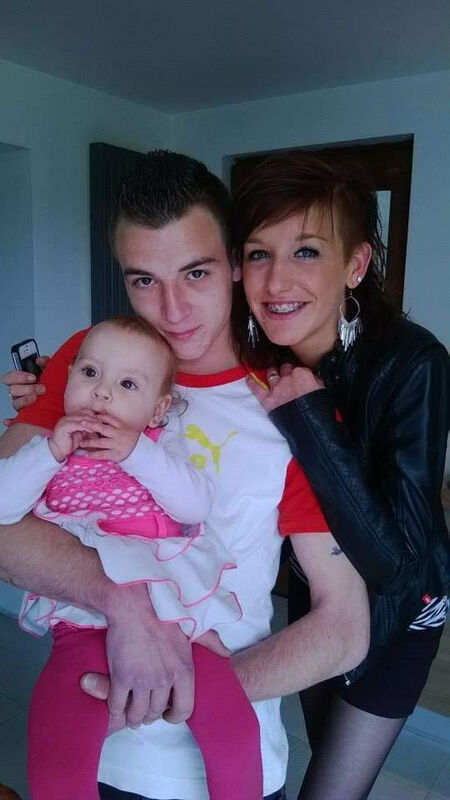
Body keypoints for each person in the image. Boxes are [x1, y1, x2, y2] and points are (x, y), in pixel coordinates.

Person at [0, 150, 369, 800]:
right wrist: (127, 603)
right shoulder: (93, 362)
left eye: (195, 272)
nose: (171, 310)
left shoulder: (290, 403)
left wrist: (187, 686)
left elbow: (344, 629)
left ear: (235, 263)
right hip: (105, 759)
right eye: (143, 280)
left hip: (234, 762)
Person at [230, 150, 450, 800]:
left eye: (306, 251)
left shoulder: (414, 363)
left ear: (355, 265)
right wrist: (77, 392)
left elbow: (397, 563)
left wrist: (310, 422)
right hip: (321, 593)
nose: (276, 280)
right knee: (319, 745)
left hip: (405, 610)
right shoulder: (257, 356)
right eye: (258, 253)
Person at [1, 314, 266, 800]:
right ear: (68, 379)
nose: (101, 393)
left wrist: (135, 454)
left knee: (232, 728)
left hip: (174, 621)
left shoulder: (157, 448)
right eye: (89, 374)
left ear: (157, 409)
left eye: (127, 385)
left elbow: (194, 506)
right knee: (58, 748)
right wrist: (49, 451)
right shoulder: (50, 449)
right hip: (82, 619)